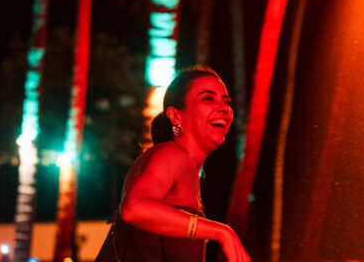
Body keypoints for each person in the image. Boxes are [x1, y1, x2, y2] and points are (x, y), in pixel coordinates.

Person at [95, 66, 250, 262]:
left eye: (226, 102)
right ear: (176, 116)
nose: (224, 108)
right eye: (208, 99)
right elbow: (133, 208)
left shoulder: (186, 166)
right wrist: (222, 232)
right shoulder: (171, 154)